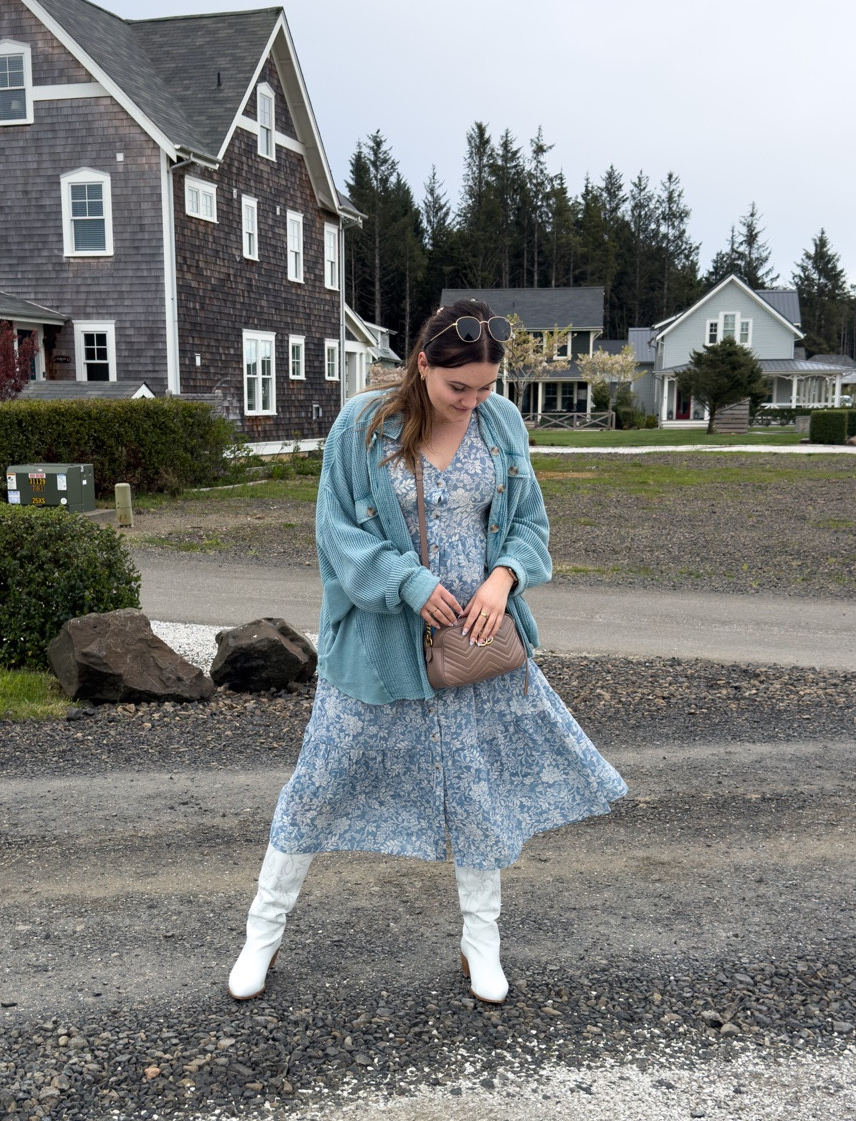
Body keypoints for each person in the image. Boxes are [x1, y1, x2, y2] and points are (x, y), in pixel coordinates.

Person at [227, 299, 627, 1006]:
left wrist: (504, 579)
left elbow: (528, 525)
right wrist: (409, 583)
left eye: (485, 388)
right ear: (422, 365)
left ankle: (481, 944)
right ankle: (263, 931)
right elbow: (337, 534)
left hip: (476, 645)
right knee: (318, 786)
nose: (473, 403)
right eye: (457, 389)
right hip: (380, 648)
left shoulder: (501, 424)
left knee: (476, 793)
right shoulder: (364, 425)